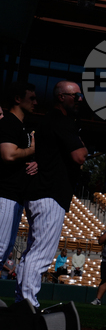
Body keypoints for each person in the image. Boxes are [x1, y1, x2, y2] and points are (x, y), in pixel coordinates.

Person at [16, 81, 87, 308]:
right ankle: (28, 302)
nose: (80, 99)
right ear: (61, 97)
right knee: (41, 254)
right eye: (76, 95)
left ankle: (22, 300)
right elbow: (79, 156)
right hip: (50, 193)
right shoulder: (60, 120)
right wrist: (83, 146)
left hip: (41, 191)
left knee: (32, 253)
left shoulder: (50, 120)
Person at [0, 82, 37, 270]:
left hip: (15, 196)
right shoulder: (8, 122)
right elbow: (9, 154)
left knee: (5, 250)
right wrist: (31, 151)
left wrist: (35, 159)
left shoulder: (24, 127)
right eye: (31, 98)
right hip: (5, 194)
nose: (36, 102)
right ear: (17, 99)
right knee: (0, 249)